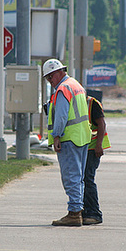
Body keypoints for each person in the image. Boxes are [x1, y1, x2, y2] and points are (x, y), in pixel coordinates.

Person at [43, 59, 91, 227]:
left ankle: (74, 213)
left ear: (59, 72)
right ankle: (77, 210)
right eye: (48, 78)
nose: (50, 81)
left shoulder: (63, 89)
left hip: (69, 138)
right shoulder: (76, 85)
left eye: (51, 77)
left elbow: (62, 116)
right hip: (82, 137)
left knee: (71, 177)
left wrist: (56, 136)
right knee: (78, 177)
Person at [82, 95, 111, 225]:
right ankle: (83, 211)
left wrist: (99, 145)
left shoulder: (92, 103)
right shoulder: (72, 103)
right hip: (79, 148)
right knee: (80, 180)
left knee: (87, 178)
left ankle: (94, 213)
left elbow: (101, 124)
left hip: (92, 148)